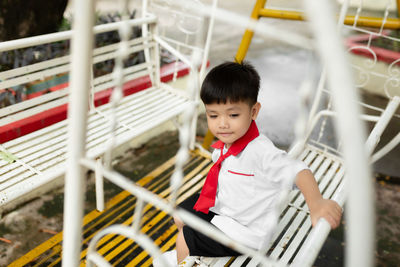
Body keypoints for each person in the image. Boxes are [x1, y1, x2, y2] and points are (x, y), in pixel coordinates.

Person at [153, 61, 342, 266]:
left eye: (233, 115)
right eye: (213, 115)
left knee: (185, 237)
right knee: (180, 216)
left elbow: (298, 171)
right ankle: (191, 252)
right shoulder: (225, 143)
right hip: (224, 208)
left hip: (244, 232)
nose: (222, 124)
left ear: (253, 112)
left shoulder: (260, 151)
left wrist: (316, 203)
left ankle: (187, 256)